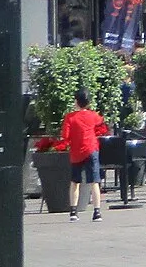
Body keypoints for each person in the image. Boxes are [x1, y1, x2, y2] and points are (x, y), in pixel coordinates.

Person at [61, 91, 109, 222]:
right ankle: (97, 212)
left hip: (76, 152)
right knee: (94, 181)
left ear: (76, 101)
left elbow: (65, 136)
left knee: (75, 182)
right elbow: (101, 122)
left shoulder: (70, 117)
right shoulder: (92, 116)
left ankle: (73, 212)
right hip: (91, 148)